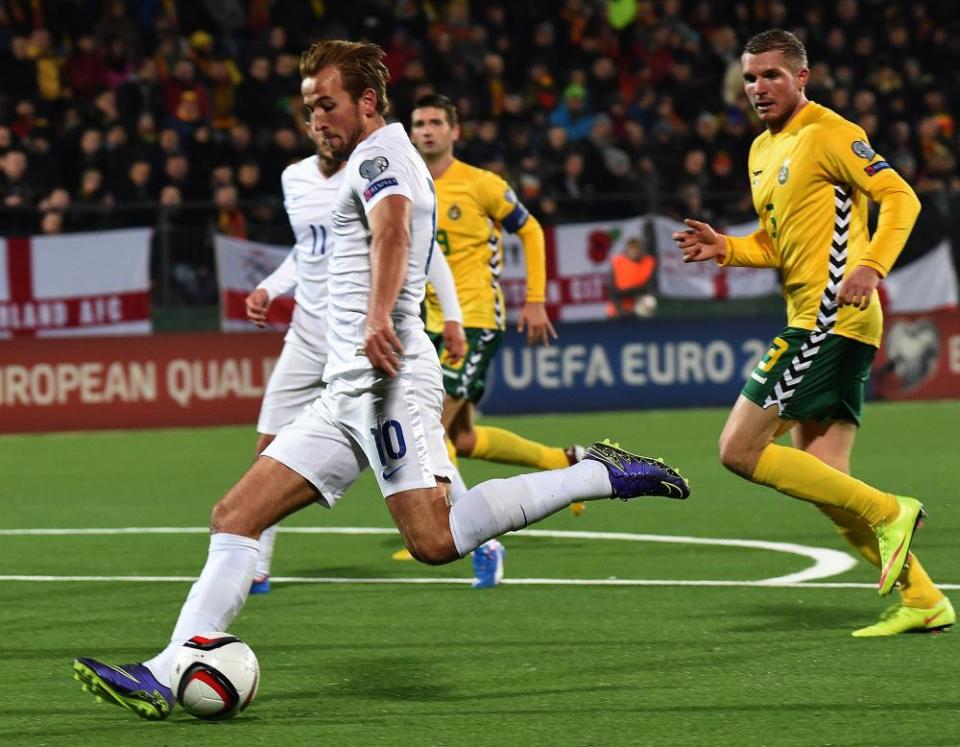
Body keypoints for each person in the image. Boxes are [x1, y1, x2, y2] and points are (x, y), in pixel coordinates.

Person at [72, 40, 690, 721]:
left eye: (327, 105)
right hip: (345, 392)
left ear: (367, 102)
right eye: (308, 108)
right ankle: (167, 667)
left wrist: (376, 318)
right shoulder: (364, 161)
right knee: (235, 515)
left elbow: (392, 232)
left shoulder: (381, 155)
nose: (316, 120)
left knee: (433, 539)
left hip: (385, 379)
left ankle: (596, 472)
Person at [673, 29, 953, 637]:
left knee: (738, 450)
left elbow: (900, 198)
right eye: (750, 78)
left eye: (771, 75)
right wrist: (727, 248)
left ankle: (891, 509)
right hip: (818, 317)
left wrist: (872, 265)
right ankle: (925, 599)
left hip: (829, 318)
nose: (758, 88)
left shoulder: (831, 133)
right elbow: (777, 244)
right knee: (829, 486)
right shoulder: (759, 151)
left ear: (803, 77)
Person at [243, 129, 467, 594]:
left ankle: (477, 536)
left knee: (422, 450)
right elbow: (307, 250)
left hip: (364, 335)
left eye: (329, 108)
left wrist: (452, 315)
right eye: (313, 113)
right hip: (307, 333)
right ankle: (256, 565)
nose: (323, 127)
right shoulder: (294, 178)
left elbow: (420, 245)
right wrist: (270, 287)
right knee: (268, 441)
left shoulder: (373, 169)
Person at [409, 94, 586, 490]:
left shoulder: (481, 184)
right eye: (419, 124)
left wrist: (535, 300)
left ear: (454, 131)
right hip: (433, 323)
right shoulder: (407, 189)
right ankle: (563, 462)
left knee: (428, 426)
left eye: (436, 122)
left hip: (476, 319)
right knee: (462, 438)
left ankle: (454, 527)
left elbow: (531, 229)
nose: (427, 130)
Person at [606, 236, 658, 318]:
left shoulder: (649, 262)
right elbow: (612, 290)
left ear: (642, 250)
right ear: (627, 250)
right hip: (619, 308)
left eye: (637, 248)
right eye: (632, 248)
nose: (635, 251)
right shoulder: (618, 262)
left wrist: (632, 293)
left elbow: (649, 287)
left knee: (650, 301)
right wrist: (620, 311)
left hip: (639, 307)